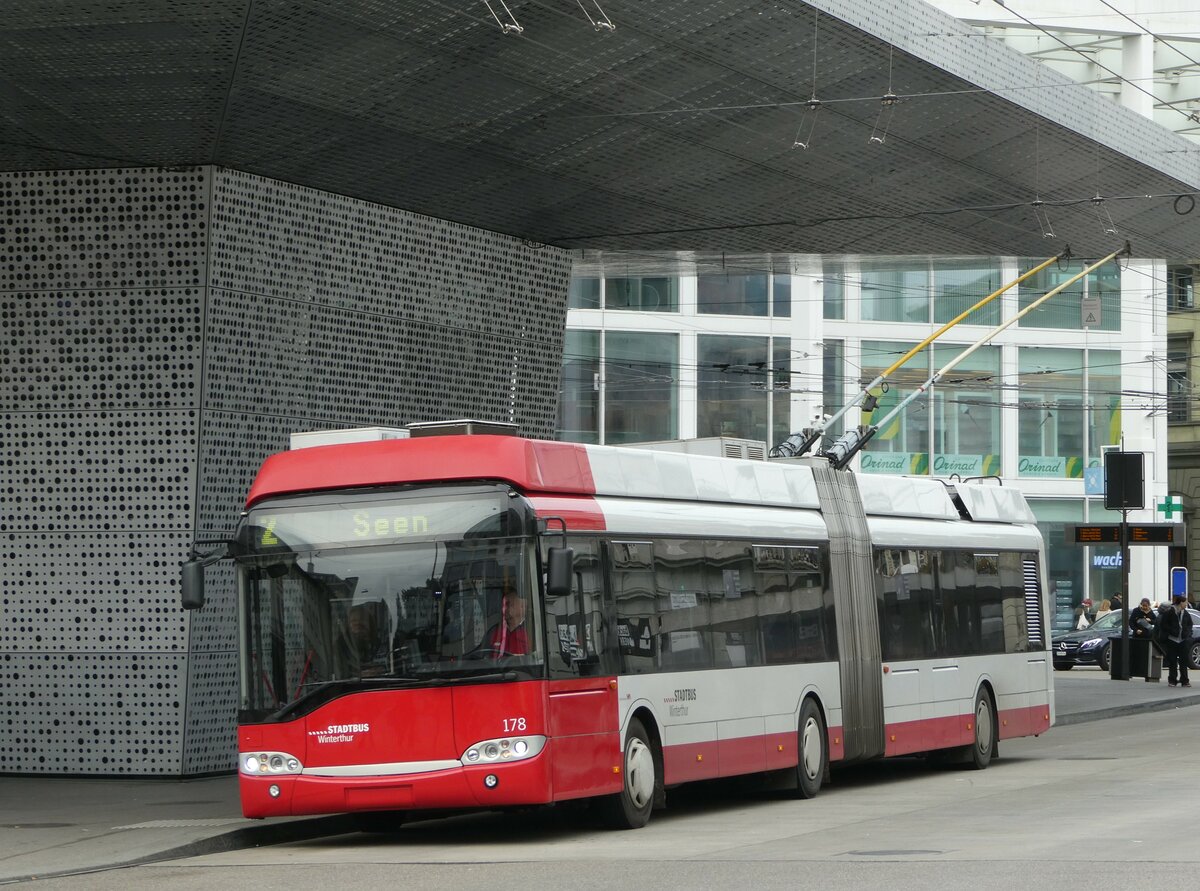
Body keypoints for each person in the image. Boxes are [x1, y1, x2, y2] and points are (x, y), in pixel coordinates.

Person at [1157, 592, 1194, 687]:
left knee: (1184, 661)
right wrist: (1172, 631)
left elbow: (1190, 624)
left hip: (1183, 640)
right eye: (1185, 602)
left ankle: (1184, 680)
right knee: (1172, 661)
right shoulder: (1169, 612)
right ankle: (1172, 680)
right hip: (1172, 639)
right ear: (1180, 603)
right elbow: (1163, 625)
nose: (1186, 604)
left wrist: (1188, 633)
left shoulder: (1185, 613)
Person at [486, 587, 529, 657]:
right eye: (503, 604)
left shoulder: (532, 631)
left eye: (508, 604)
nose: (504, 608)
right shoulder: (494, 631)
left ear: (522, 606)